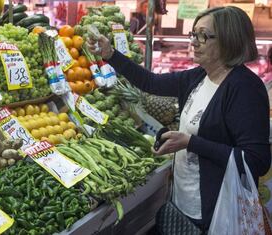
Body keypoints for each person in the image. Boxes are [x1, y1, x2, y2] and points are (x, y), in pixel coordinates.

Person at [88, 6, 271, 232]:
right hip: (184, 200)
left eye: (203, 35)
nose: (193, 42)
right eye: (193, 34)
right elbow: (151, 83)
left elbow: (256, 160)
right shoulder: (199, 76)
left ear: (229, 39)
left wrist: (190, 143)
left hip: (217, 211)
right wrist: (110, 55)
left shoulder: (245, 88)